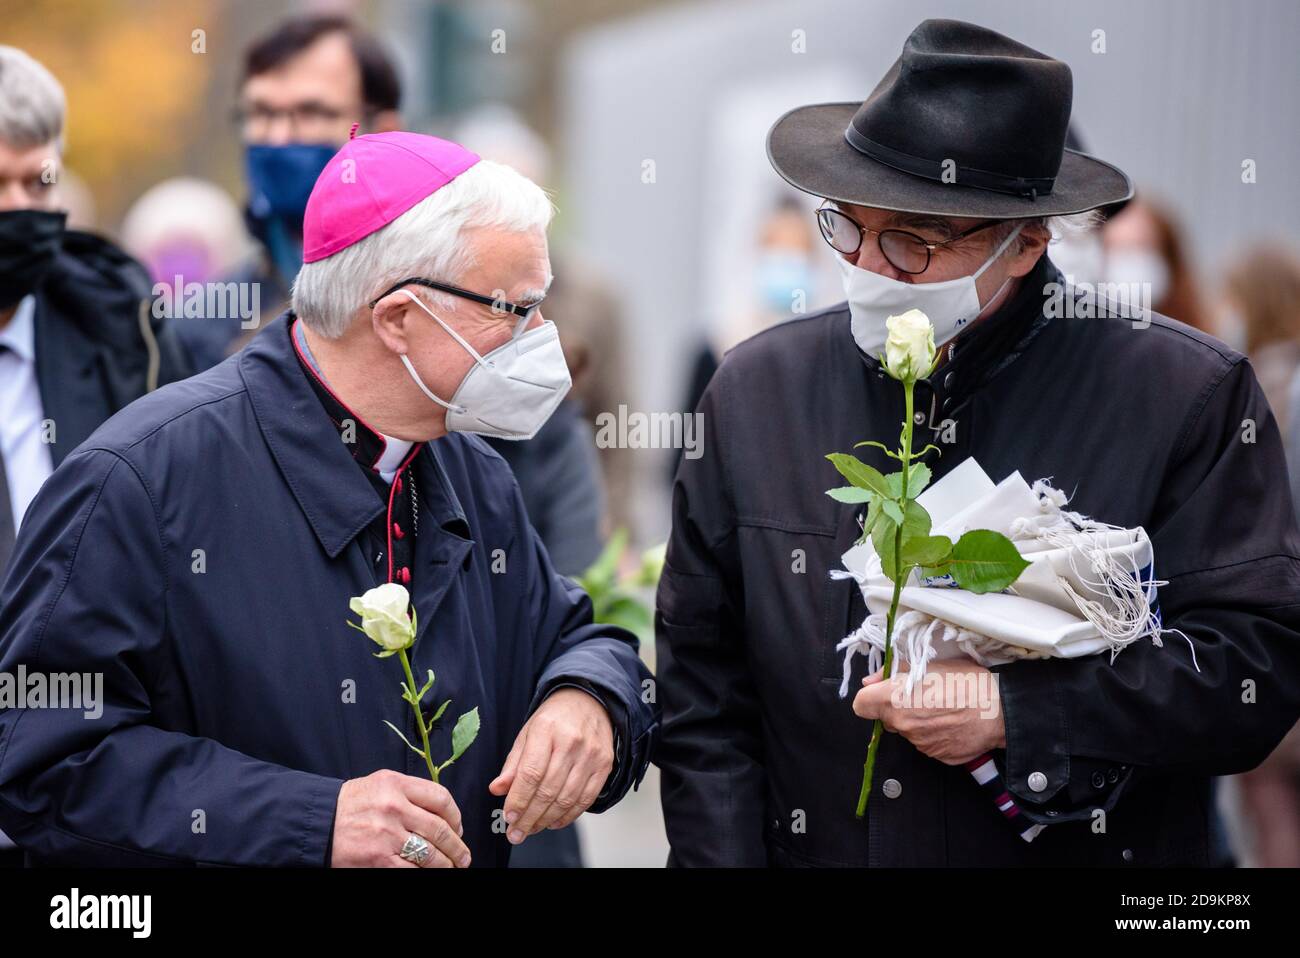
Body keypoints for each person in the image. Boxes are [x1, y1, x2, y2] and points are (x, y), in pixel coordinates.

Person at [655, 19, 1300, 866]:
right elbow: (703, 696)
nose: (870, 270)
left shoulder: (1183, 396)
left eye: (913, 245)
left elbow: (1252, 673)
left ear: (1027, 241)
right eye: (847, 229)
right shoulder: (755, 391)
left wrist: (1021, 713)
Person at [0, 131, 658, 867]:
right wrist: (311, 821)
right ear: (399, 319)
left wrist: (590, 698)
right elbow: (42, 764)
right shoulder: (138, 480)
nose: (541, 336)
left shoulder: (473, 470)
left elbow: (575, 638)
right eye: (515, 308)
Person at [176, 14, 401, 371]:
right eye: (262, 113)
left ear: (385, 130)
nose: (279, 138)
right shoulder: (204, 326)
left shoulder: (435, 303)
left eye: (310, 112)